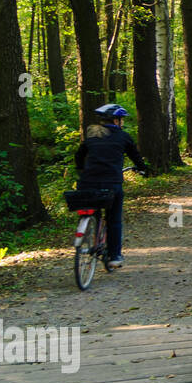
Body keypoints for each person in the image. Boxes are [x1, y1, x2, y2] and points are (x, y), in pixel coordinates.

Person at [74, 103, 150, 268]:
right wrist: (143, 169)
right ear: (116, 121)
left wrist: (81, 170)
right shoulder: (123, 137)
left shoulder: (92, 137)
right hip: (111, 184)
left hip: (87, 183)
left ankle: (88, 233)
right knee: (113, 219)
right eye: (121, 120)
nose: (121, 123)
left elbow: (79, 156)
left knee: (92, 207)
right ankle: (114, 256)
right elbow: (135, 157)